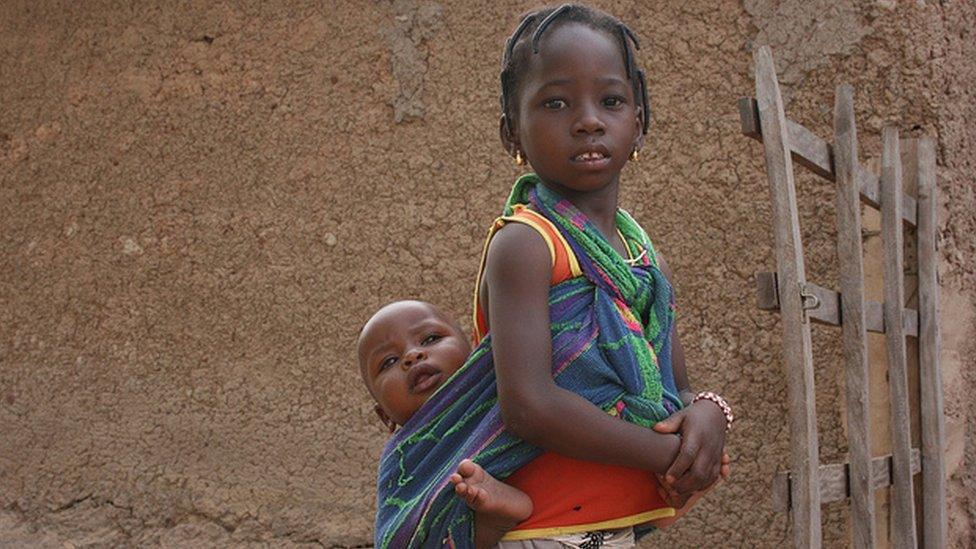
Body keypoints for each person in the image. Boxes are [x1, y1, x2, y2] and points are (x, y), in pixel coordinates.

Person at [470, 4, 733, 546]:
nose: (588, 119)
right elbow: (529, 406)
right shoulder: (527, 245)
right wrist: (674, 454)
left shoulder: (641, 256)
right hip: (543, 529)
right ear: (511, 132)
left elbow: (675, 387)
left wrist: (709, 416)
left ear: (638, 123)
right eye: (556, 102)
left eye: (610, 101)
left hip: (615, 526)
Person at [358, 300, 725, 549]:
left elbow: (605, 485)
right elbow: (406, 537)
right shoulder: (406, 465)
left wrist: (680, 484)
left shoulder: (524, 403)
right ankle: (493, 519)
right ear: (384, 417)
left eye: (431, 339)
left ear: (477, 358)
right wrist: (486, 523)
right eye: (388, 362)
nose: (412, 355)